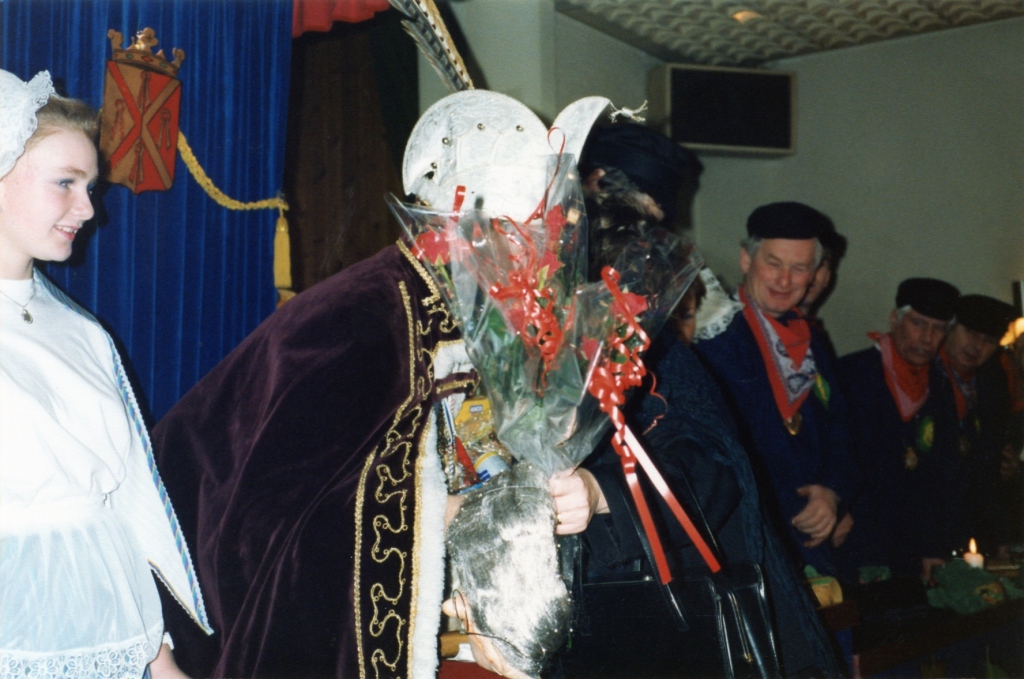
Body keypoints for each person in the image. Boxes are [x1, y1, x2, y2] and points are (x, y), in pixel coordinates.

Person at [151, 89, 610, 679]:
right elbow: (274, 517)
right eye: (523, 233)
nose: (541, 258)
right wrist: (459, 515)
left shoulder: (492, 316)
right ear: (469, 226)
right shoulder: (360, 316)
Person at [572, 127, 844, 677]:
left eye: (646, 227)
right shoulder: (545, 322)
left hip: (663, 592)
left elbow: (714, 464)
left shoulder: (663, 350)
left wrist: (602, 493)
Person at [0, 69, 208, 677]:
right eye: (65, 182)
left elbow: (119, 508)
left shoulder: (85, 334)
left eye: (89, 186)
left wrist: (159, 659)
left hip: (112, 631)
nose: (89, 209)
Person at [692, 202, 860, 578]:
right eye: (774, 263)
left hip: (813, 540)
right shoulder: (716, 337)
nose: (785, 281)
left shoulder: (812, 339)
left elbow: (841, 430)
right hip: (753, 540)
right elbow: (724, 449)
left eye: (799, 268)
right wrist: (798, 508)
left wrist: (832, 492)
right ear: (746, 260)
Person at [836, 278, 960, 583]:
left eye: (938, 329)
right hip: (858, 539)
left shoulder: (939, 387)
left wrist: (934, 546)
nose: (927, 338)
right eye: (918, 324)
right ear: (895, 320)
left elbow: (941, 474)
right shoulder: (853, 374)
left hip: (912, 546)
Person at [938, 294, 1019, 552]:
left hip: (975, 522)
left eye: (989, 341)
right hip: (929, 518)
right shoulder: (926, 372)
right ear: (951, 328)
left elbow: (993, 460)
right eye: (971, 333)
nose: (977, 346)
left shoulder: (992, 380)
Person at [798, 222, 847, 363]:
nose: (811, 275)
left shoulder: (817, 338)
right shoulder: (759, 331)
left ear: (827, 278)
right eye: (802, 265)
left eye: (819, 265)